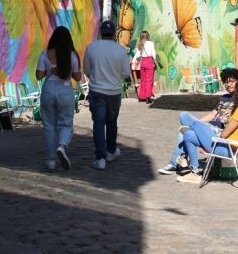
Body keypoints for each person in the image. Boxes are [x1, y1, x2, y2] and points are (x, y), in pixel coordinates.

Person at [157, 68, 238, 175]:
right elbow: (212, 114)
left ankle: (175, 164)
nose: (228, 84)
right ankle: (179, 162)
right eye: (225, 82)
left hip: (216, 132)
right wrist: (196, 125)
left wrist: (195, 126)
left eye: (231, 81)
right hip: (207, 128)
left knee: (184, 132)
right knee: (184, 116)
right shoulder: (224, 97)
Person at [175, 75, 238, 184]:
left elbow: (224, 135)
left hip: (225, 148)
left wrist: (210, 135)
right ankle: (194, 172)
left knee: (196, 124)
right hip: (229, 147)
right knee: (188, 135)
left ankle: (186, 130)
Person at [83, 20, 132, 170]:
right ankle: (110, 152)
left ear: (100, 32)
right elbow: (125, 73)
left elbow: (86, 70)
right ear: (114, 33)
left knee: (98, 124)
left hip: (97, 91)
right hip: (114, 92)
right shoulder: (120, 50)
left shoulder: (91, 48)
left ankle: (100, 158)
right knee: (112, 123)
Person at [36, 26, 81, 171]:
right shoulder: (72, 55)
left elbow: (39, 75)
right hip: (65, 89)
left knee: (49, 126)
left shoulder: (44, 54)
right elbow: (78, 76)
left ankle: (50, 161)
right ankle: (61, 146)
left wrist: (51, 69)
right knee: (66, 123)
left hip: (48, 88)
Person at [132, 31, 157, 104]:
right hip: (149, 61)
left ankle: (141, 97)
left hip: (143, 62)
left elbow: (137, 55)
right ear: (148, 36)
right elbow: (153, 53)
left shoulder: (140, 44)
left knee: (143, 80)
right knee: (149, 80)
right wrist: (155, 61)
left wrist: (133, 61)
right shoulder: (150, 43)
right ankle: (148, 97)